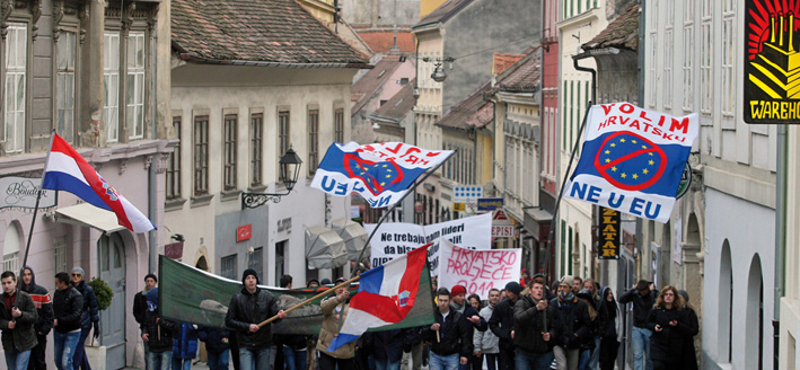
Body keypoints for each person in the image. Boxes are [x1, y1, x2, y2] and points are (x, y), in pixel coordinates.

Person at [225, 269, 286, 370]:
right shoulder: (237, 299)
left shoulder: (268, 297)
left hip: (264, 344)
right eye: (248, 278)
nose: (251, 280)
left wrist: (279, 315)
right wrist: (247, 327)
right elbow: (229, 321)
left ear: (257, 280)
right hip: (245, 343)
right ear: (244, 281)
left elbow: (274, 318)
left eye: (253, 278)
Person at [423, 288, 472, 370]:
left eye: (445, 301)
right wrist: (431, 328)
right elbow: (422, 333)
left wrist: (464, 354)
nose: (442, 303)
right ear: (437, 300)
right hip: (435, 354)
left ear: (450, 301)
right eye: (440, 300)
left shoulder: (457, 316)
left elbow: (465, 336)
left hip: (452, 355)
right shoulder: (432, 315)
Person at [550, 276, 591, 370]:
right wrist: (553, 334)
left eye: (565, 287)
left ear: (571, 288)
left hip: (573, 342)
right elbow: (550, 322)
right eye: (560, 286)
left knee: (573, 367)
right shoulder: (553, 304)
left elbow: (586, 324)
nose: (562, 289)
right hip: (558, 342)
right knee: (562, 366)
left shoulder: (580, 305)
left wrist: (576, 335)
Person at [647, 286, 692, 370]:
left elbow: (688, 328)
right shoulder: (656, 310)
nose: (668, 296)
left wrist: (677, 324)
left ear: (675, 297)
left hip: (674, 347)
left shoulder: (680, 312)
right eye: (666, 294)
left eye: (671, 295)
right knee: (658, 366)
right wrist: (654, 327)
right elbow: (648, 322)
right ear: (662, 296)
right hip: (658, 344)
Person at [513, 280, 555, 370]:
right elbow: (519, 318)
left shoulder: (548, 308)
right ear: (530, 291)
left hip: (540, 352)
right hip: (523, 351)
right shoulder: (522, 303)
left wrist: (550, 334)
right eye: (536, 288)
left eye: (541, 288)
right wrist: (536, 309)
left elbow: (554, 326)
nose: (539, 291)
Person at [0, 271, 37, 370]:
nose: (6, 286)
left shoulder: (25, 298)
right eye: (3, 283)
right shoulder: (1, 300)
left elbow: (34, 316)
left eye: (9, 282)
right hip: (9, 342)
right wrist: (7, 324)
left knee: (20, 368)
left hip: (25, 341)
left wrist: (20, 314)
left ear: (15, 282)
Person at [618, 280, 658, 370]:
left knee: (649, 356)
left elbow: (659, 297)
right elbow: (621, 299)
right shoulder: (635, 295)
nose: (642, 294)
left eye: (644, 292)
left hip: (649, 328)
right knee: (638, 355)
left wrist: (653, 290)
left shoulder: (652, 295)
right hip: (637, 328)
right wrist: (633, 289)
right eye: (641, 292)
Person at [20, 266, 53, 370]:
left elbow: (49, 314)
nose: (26, 277)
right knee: (27, 364)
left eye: (29, 274)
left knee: (39, 361)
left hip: (38, 333)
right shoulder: (18, 293)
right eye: (24, 275)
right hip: (24, 334)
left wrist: (44, 330)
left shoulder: (42, 292)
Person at [317, 279, 355, 370]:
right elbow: (324, 308)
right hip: (326, 347)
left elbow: (358, 325)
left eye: (344, 285)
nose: (340, 288)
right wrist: (338, 298)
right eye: (338, 286)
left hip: (345, 348)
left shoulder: (353, 304)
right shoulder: (328, 299)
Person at [449, 285, 487, 370]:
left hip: (465, 350)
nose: (463, 298)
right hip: (450, 350)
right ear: (453, 297)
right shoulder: (448, 310)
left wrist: (479, 322)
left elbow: (484, 326)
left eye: (464, 295)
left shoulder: (470, 310)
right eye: (460, 295)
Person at [52, 272, 83, 370]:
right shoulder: (57, 293)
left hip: (72, 332)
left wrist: (59, 321)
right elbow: (54, 309)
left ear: (62, 283)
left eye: (57, 283)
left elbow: (76, 315)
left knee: (66, 361)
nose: (56, 285)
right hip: (58, 331)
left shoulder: (76, 295)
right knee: (58, 361)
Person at [70, 267, 99, 370]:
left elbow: (93, 306)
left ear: (82, 277)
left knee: (77, 348)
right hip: (72, 322)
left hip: (84, 322)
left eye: (78, 275)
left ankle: (75, 367)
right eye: (73, 275)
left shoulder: (88, 289)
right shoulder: (68, 288)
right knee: (79, 348)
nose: (75, 277)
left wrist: (96, 323)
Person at [278, 275, 308, 370]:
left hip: (297, 339)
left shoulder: (278, 298)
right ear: (290, 284)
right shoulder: (297, 300)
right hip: (289, 339)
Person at [489, 282, 521, 370]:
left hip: (522, 344)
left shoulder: (524, 304)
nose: (507, 294)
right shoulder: (501, 306)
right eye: (506, 291)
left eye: (509, 291)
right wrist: (503, 333)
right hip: (506, 345)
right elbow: (493, 323)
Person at [142, 288, 177, 370]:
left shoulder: (168, 311)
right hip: (152, 346)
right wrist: (144, 333)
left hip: (166, 347)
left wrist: (162, 322)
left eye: (149, 299)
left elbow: (175, 327)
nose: (148, 301)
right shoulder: (148, 311)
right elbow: (145, 325)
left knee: (164, 368)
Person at [134, 273, 158, 370]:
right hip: (145, 327)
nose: (149, 283)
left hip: (158, 327)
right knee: (147, 351)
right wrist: (142, 321)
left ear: (155, 283)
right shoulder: (139, 296)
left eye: (151, 281)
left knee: (157, 351)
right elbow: (136, 311)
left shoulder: (159, 295)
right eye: (147, 281)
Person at [581, 279, 606, 370]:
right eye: (586, 287)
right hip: (582, 336)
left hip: (595, 334)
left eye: (590, 287)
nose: (588, 289)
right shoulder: (579, 300)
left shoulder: (599, 301)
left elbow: (604, 318)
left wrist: (600, 332)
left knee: (592, 362)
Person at [474, 289, 500, 370]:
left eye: (496, 295)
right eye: (492, 295)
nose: (494, 297)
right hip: (488, 345)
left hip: (501, 346)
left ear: (500, 297)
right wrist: (477, 347)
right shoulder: (483, 312)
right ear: (488, 297)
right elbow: (478, 331)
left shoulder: (503, 309)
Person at [575, 289, 599, 370]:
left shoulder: (593, 313)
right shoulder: (575, 310)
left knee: (584, 366)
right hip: (577, 343)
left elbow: (596, 326)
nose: (583, 301)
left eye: (585, 299)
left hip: (588, 344)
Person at [598, 287, 620, 370]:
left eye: (611, 293)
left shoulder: (615, 305)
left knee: (612, 359)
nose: (610, 296)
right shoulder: (602, 305)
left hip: (613, 335)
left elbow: (619, 320)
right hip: (604, 336)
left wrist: (619, 337)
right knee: (604, 359)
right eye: (608, 294)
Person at [677, 290, 699, 370]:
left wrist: (682, 327)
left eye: (680, 298)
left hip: (687, 345)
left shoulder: (690, 312)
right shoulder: (674, 311)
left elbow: (695, 330)